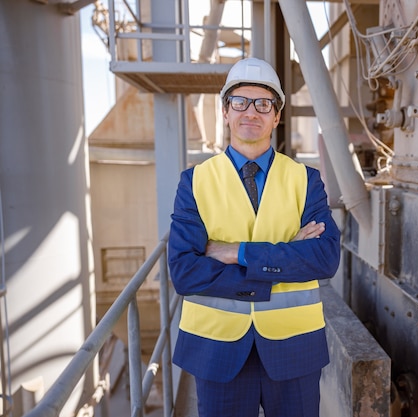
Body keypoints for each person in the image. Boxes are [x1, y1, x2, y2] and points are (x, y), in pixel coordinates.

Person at [167, 57, 341, 417]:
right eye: (240, 102)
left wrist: (237, 252)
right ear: (225, 112)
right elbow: (184, 272)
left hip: (294, 348)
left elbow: (325, 258)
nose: (252, 112)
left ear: (276, 116)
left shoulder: (305, 180)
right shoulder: (195, 181)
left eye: (264, 104)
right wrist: (285, 257)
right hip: (216, 350)